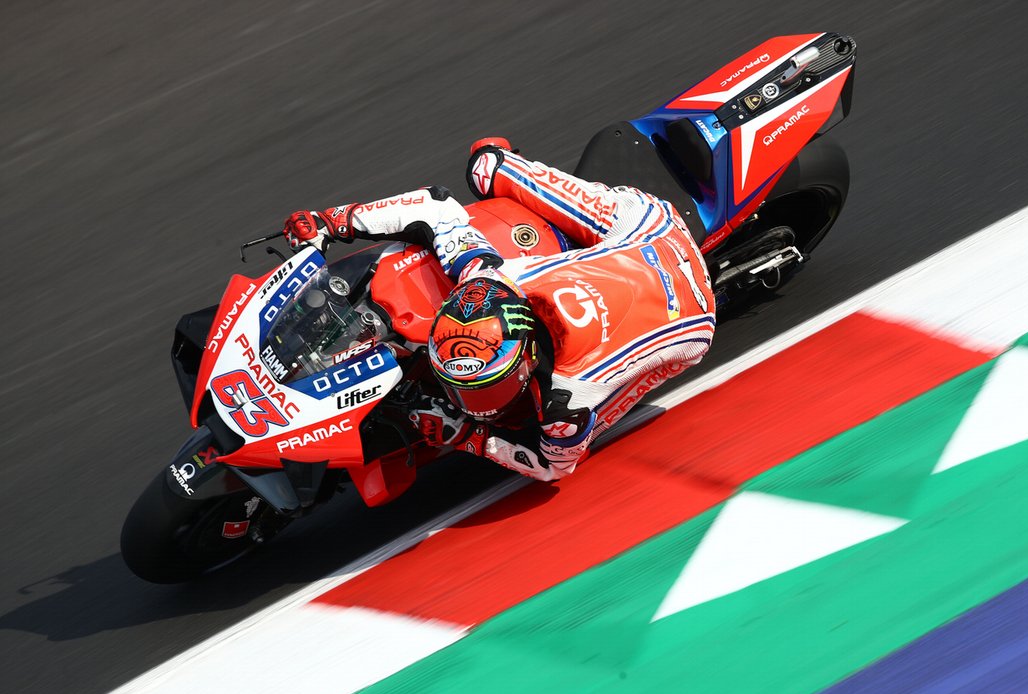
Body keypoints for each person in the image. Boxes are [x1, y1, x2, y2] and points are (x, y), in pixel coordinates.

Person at [283, 139, 715, 481]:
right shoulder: (486, 281)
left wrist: (470, 436)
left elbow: (552, 469)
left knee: (554, 431)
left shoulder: (568, 395)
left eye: (484, 390)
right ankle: (504, 165)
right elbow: (434, 208)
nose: (470, 403)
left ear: (526, 360)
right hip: (635, 243)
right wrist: (335, 221)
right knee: (487, 166)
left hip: (689, 308)